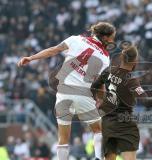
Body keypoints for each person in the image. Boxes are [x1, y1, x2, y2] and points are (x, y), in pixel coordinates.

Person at [18, 22, 116, 160]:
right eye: (112, 37)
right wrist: (101, 99)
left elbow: (53, 50)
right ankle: (98, 158)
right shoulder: (105, 58)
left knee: (63, 138)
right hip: (83, 95)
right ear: (105, 37)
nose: (113, 41)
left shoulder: (76, 39)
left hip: (63, 93)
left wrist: (31, 58)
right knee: (98, 130)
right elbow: (100, 85)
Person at [91, 45, 152, 160]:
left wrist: (99, 99)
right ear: (135, 61)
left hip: (108, 122)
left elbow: (94, 86)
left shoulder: (109, 71)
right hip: (125, 124)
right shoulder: (131, 81)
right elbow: (146, 102)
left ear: (122, 57)